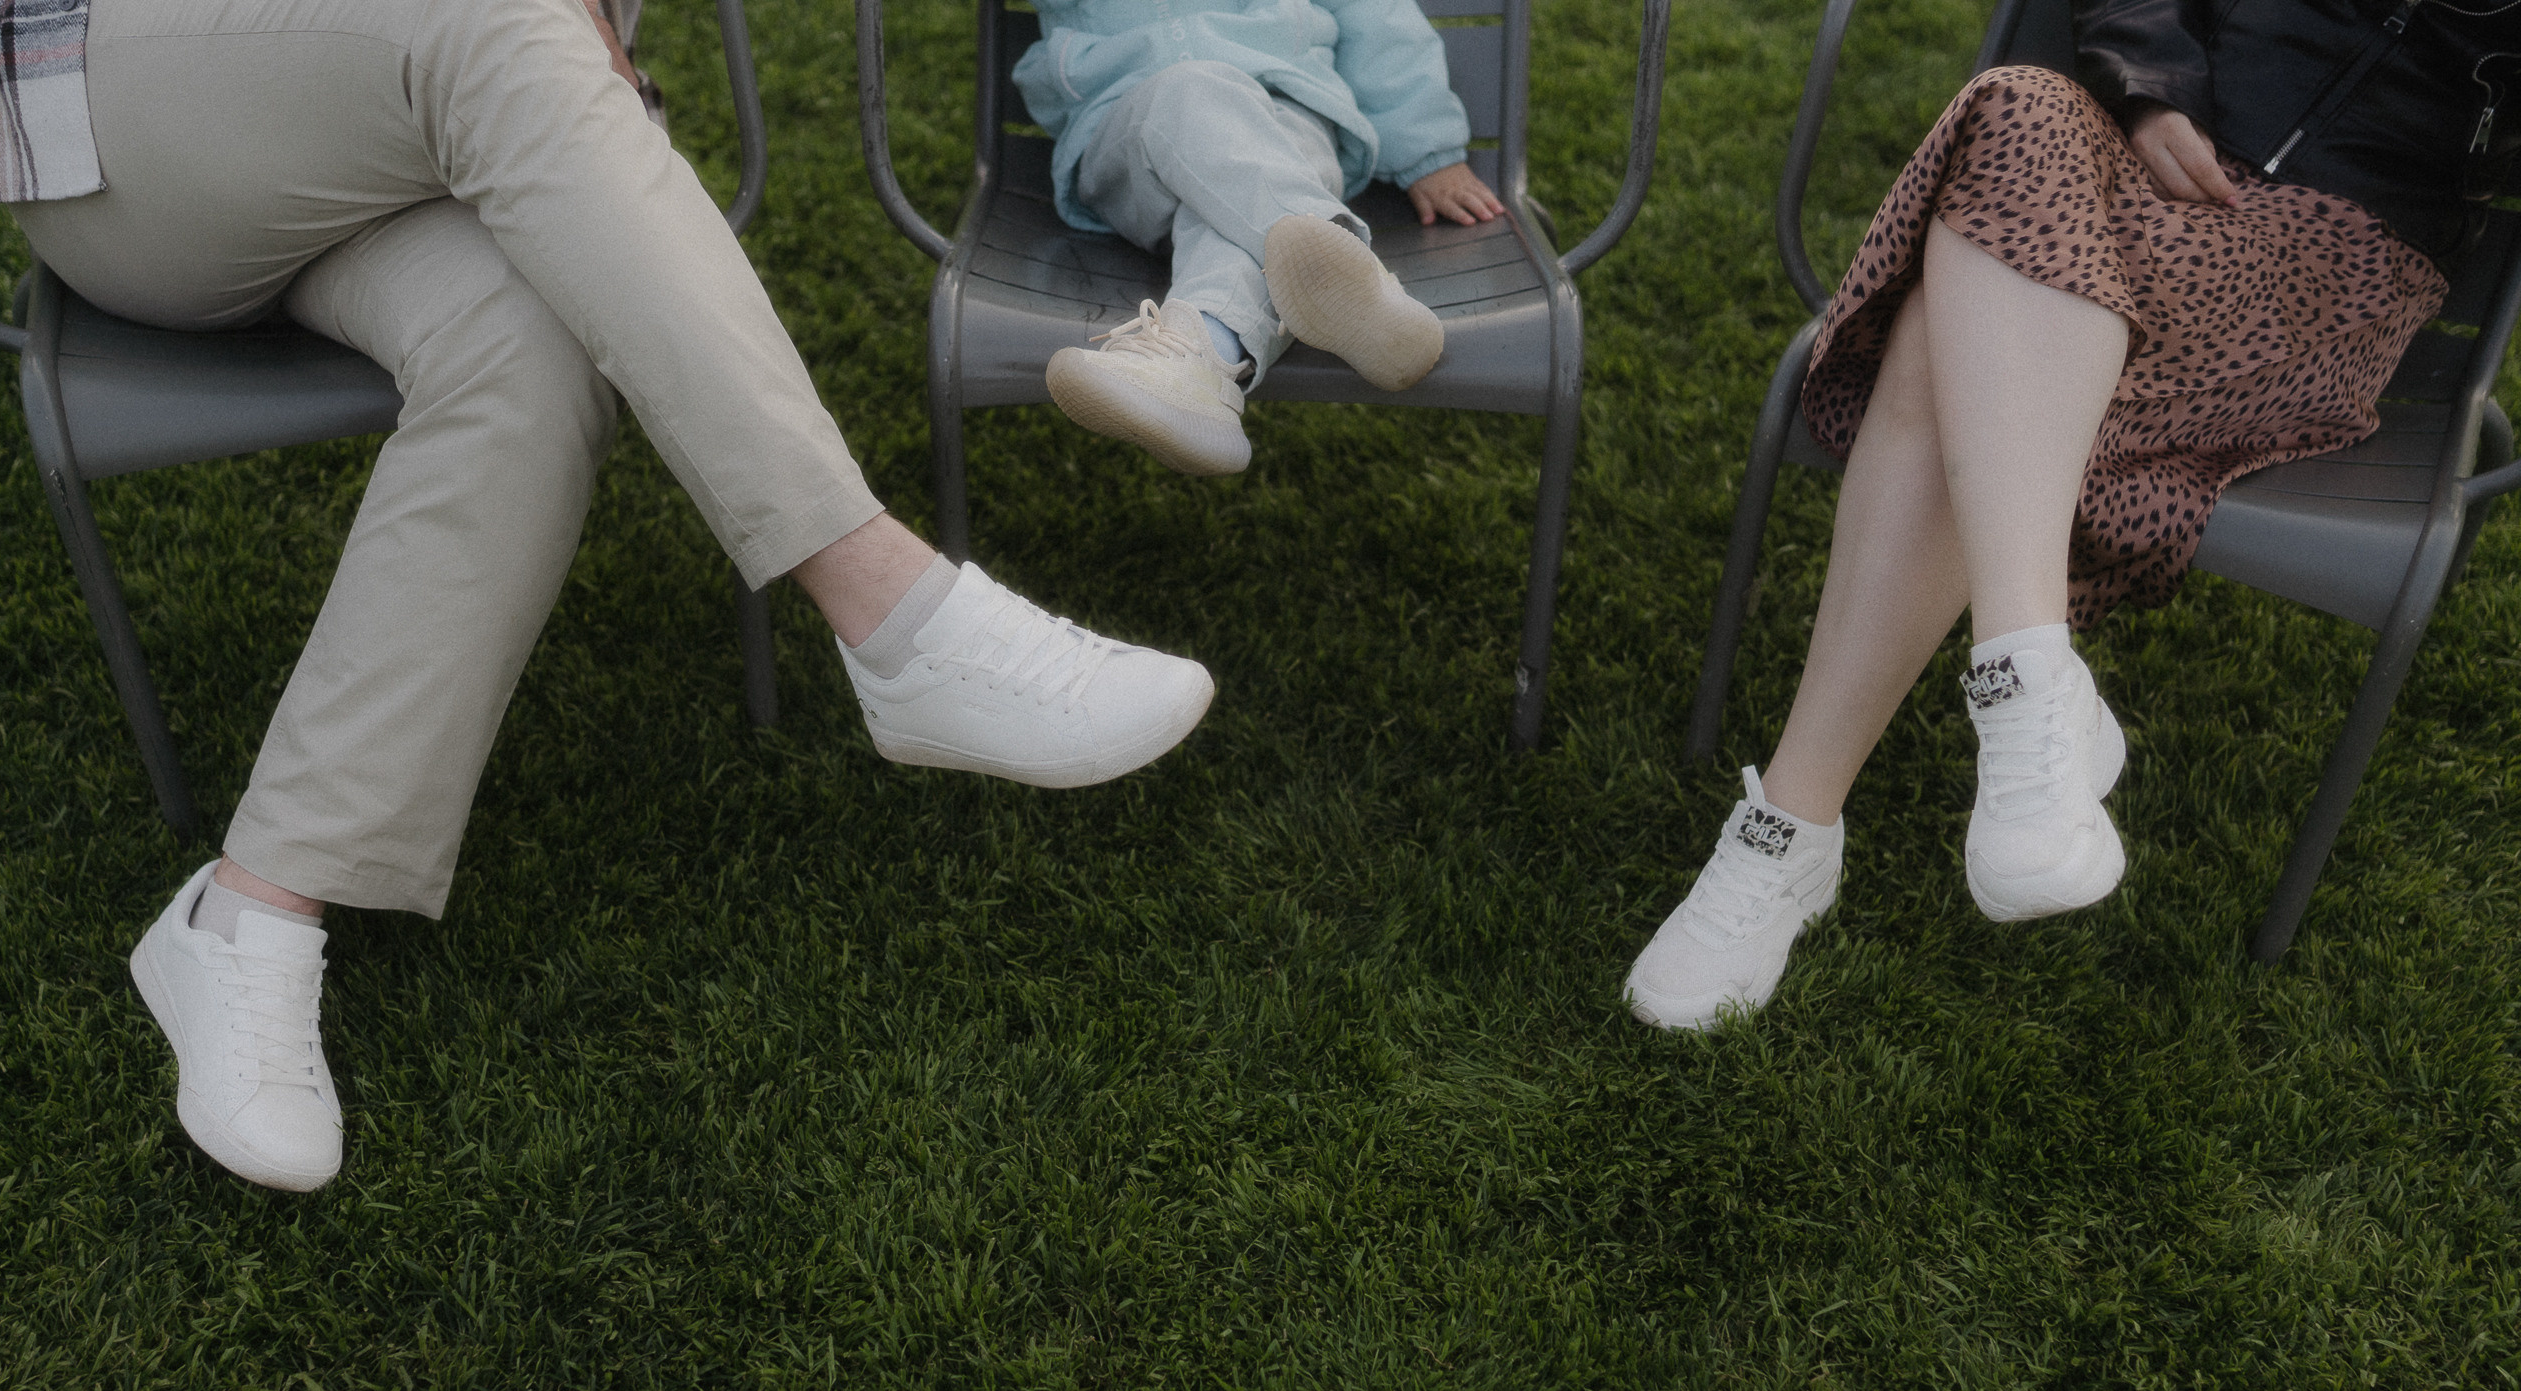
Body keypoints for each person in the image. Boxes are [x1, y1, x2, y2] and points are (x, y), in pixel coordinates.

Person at [0, 0, 1222, 1191]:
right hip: (125, 122)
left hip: (405, 131)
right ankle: (896, 614)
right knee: (483, 18)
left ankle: (251, 912)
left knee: (529, 340)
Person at [1623, 0, 2521, 1032]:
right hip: (2128, 161)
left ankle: (1789, 826)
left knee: (1944, 351)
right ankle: (2027, 680)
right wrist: (2150, 90)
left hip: (2334, 251)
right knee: (2014, 100)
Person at [1017, 0, 1507, 475]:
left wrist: (1429, 150)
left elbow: (1378, 18)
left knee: (1244, 220)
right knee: (1191, 92)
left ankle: (1199, 362)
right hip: (1130, 127)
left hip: (1284, 113)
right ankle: (1341, 259)